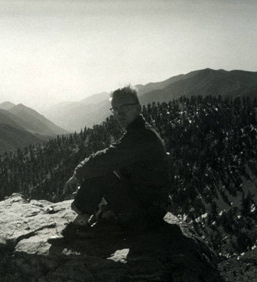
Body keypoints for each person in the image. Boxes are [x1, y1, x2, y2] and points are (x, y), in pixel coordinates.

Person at [59, 86, 172, 239]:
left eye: (125, 107)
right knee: (104, 170)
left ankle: (80, 225)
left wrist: (78, 174)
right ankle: (106, 214)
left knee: (100, 173)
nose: (119, 113)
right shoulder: (141, 131)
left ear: (138, 108)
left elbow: (105, 159)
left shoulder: (140, 137)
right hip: (151, 205)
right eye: (115, 108)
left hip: (146, 213)